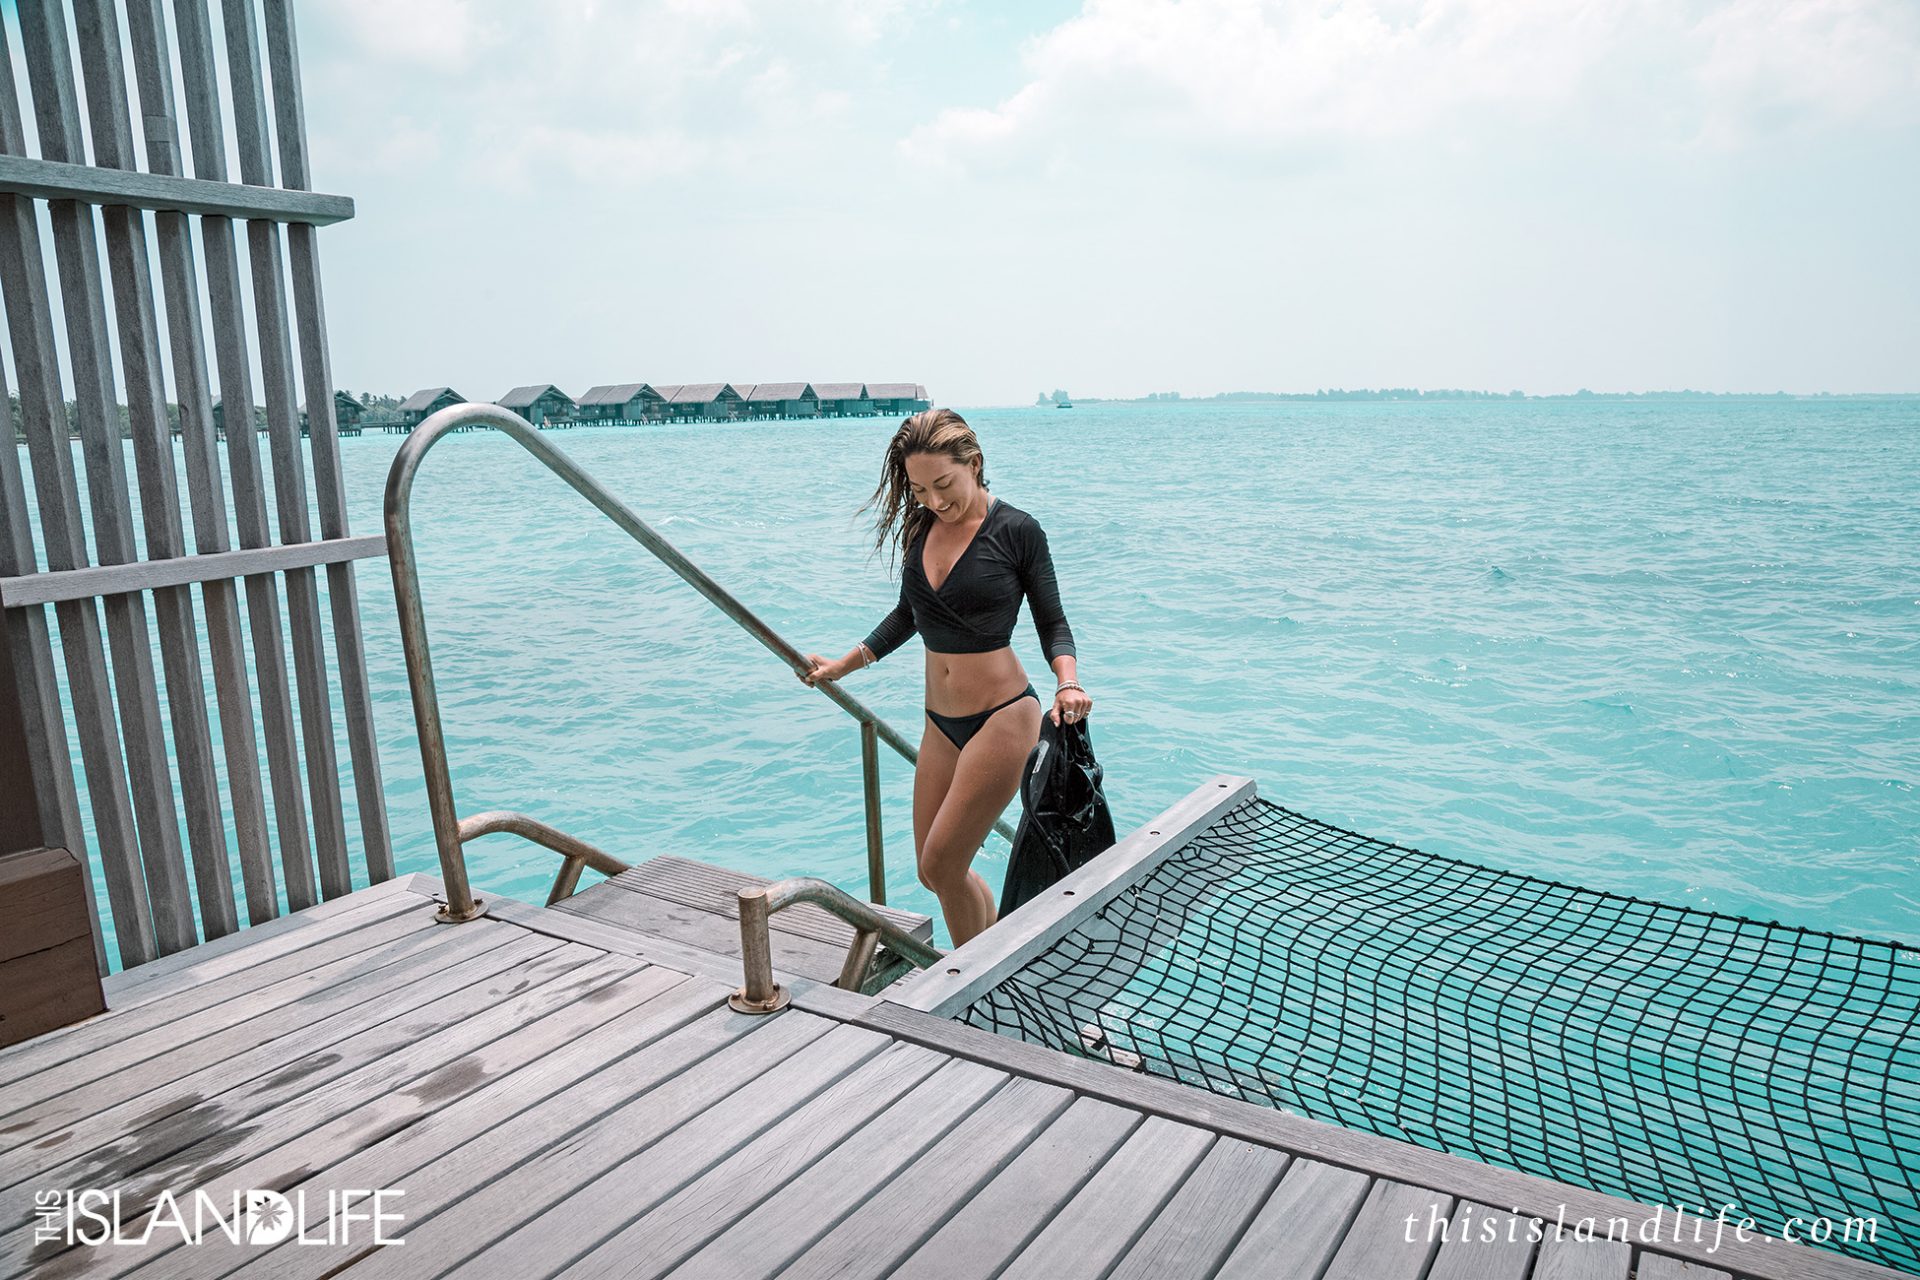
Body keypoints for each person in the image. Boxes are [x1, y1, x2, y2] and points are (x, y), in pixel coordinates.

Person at [800, 408, 1092, 946]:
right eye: (918, 489)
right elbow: (909, 614)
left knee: (944, 860)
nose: (933, 501)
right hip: (940, 722)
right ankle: (997, 956)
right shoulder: (922, 526)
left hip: (1004, 717)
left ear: (974, 465)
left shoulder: (1017, 531)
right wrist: (845, 663)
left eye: (943, 485)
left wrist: (1067, 683)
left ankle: (975, 993)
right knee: (933, 871)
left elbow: (1053, 621)